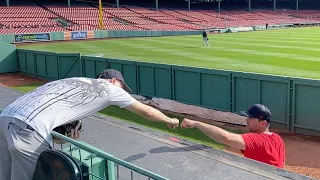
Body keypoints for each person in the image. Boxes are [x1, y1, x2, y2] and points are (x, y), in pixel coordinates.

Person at [0, 69, 179, 180]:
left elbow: (56, 128)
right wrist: (169, 120)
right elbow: (147, 112)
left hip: (6, 117)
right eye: (122, 87)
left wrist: (65, 137)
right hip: (28, 129)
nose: (123, 91)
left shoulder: (77, 81)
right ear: (112, 81)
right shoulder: (109, 88)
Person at [181, 104, 285, 168]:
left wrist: (196, 124)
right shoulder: (278, 139)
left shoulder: (257, 140)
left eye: (251, 118)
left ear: (263, 123)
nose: (246, 120)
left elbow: (227, 138)